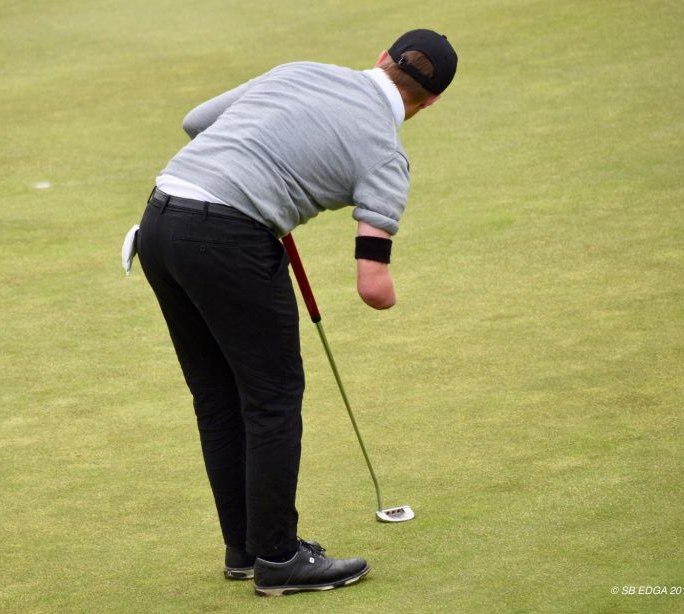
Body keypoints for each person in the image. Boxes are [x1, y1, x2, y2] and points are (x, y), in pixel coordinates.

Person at [135, 29, 458, 596]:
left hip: (160, 221)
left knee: (217, 395)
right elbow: (374, 287)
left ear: (382, 57)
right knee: (273, 399)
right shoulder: (386, 155)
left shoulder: (299, 70)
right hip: (228, 239)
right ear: (429, 103)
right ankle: (280, 558)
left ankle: (245, 548)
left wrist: (273, 171)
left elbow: (196, 123)